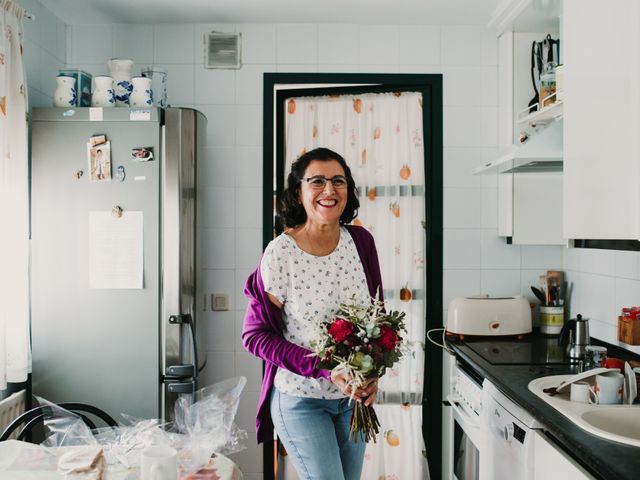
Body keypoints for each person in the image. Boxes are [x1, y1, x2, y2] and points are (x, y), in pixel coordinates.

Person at [242, 147, 384, 480]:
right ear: (298, 192)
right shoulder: (281, 253)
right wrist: (324, 367)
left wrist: (373, 372)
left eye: (339, 181)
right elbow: (254, 336)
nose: (330, 191)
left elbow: (377, 318)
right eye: (317, 181)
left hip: (352, 402)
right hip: (301, 400)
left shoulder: (361, 242)